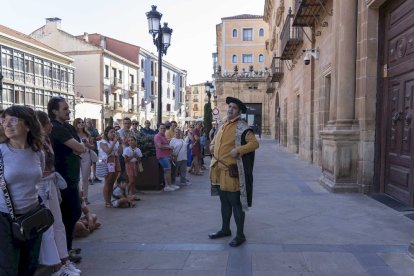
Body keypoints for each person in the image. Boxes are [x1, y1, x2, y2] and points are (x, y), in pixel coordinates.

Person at [209, 97, 259, 247]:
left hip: (232, 173)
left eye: (234, 108)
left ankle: (240, 235)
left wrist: (238, 150)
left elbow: (254, 143)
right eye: (229, 106)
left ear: (239, 111)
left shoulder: (242, 127)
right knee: (224, 203)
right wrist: (212, 145)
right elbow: (215, 140)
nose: (230, 109)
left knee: (236, 203)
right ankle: (225, 229)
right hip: (218, 171)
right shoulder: (223, 125)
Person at [0, 106, 45, 275]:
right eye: (4, 120)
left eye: (13, 120)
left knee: (29, 266)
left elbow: (38, 182)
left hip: (32, 216)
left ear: (28, 125)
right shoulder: (1, 151)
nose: (7, 124)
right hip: (4, 218)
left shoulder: (37, 152)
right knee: (8, 269)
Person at [36, 111, 81, 275]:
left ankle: (64, 261)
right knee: (49, 228)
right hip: (42, 187)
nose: (50, 124)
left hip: (51, 184)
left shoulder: (46, 140)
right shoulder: (35, 142)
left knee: (58, 224)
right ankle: (56, 266)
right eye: (47, 122)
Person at [48, 96, 85, 261]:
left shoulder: (68, 127)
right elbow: (78, 147)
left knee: (73, 212)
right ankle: (64, 251)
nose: (69, 110)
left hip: (72, 176)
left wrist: (79, 148)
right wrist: (79, 148)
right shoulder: (56, 128)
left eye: (68, 108)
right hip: (63, 177)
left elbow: (83, 145)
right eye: (65, 108)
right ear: (54, 111)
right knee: (70, 213)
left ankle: (67, 248)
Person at [73, 118, 95, 205]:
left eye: (82, 122)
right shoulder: (73, 134)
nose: (81, 124)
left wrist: (87, 144)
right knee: (77, 179)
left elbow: (93, 147)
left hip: (86, 157)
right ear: (75, 124)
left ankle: (85, 197)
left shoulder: (87, 134)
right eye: (79, 122)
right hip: (76, 157)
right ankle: (78, 197)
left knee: (85, 178)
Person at [99, 126, 121, 207]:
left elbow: (119, 152)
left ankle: (110, 200)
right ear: (106, 133)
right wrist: (114, 142)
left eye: (114, 132)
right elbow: (108, 151)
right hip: (109, 161)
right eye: (111, 132)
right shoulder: (102, 142)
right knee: (108, 182)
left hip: (116, 160)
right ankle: (107, 202)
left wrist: (120, 143)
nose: (113, 133)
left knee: (112, 182)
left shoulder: (114, 141)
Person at [154, 123, 180, 192]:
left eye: (164, 128)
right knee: (167, 170)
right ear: (158, 129)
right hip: (162, 156)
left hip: (167, 156)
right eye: (161, 128)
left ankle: (170, 184)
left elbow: (165, 144)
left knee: (169, 170)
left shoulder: (164, 136)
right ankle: (167, 186)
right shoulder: (157, 136)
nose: (163, 129)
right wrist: (169, 147)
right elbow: (159, 146)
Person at [85, 118, 101, 183]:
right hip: (88, 149)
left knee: (94, 162)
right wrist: (94, 138)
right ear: (86, 123)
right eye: (88, 122)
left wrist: (93, 138)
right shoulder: (85, 131)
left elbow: (99, 137)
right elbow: (88, 139)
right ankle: (89, 178)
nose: (90, 123)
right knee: (89, 163)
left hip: (95, 148)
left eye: (91, 122)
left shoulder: (95, 130)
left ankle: (94, 176)